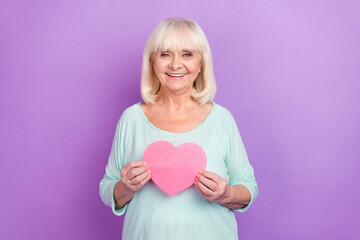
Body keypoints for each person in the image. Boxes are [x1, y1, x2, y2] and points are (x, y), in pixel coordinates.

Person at [99, 17, 258, 240]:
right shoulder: (132, 119)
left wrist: (226, 194)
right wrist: (125, 188)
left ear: (201, 63)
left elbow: (248, 188)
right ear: (152, 61)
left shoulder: (221, 119)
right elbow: (108, 188)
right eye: (165, 54)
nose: (175, 64)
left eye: (187, 54)